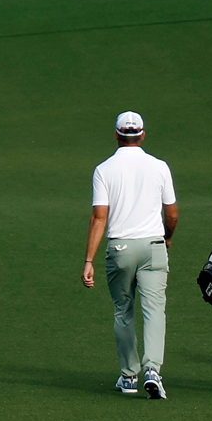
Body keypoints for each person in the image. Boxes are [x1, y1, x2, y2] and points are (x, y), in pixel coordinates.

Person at [83, 111, 177, 399]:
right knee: (154, 311)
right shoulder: (160, 166)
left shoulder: (104, 169)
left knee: (123, 311)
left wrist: (89, 260)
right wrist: (167, 237)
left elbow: (99, 217)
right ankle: (153, 370)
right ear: (142, 135)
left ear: (116, 135)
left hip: (120, 248)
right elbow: (171, 213)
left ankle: (128, 377)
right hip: (153, 247)